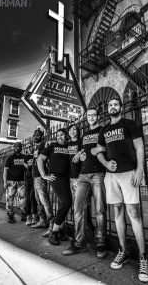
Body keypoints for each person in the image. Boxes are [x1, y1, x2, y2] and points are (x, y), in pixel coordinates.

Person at [96, 97, 148, 282]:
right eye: (110, 105)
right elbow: (98, 150)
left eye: (115, 104)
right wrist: (105, 162)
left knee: (133, 212)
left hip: (129, 173)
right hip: (111, 176)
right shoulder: (104, 130)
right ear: (107, 109)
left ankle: (143, 258)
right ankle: (123, 251)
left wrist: (140, 170)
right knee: (118, 210)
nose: (113, 107)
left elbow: (139, 146)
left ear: (120, 107)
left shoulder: (129, 123)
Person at [63, 108, 107, 259]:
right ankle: (78, 242)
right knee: (78, 208)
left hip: (98, 173)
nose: (91, 117)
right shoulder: (85, 135)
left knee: (100, 210)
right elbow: (82, 150)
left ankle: (101, 243)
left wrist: (101, 149)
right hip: (83, 174)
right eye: (89, 115)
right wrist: (78, 154)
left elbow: (108, 147)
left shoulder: (103, 130)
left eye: (94, 115)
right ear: (86, 117)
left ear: (98, 116)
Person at [37, 128, 72, 245]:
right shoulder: (51, 145)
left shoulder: (69, 146)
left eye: (62, 135)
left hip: (68, 178)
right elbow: (40, 159)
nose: (60, 137)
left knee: (65, 204)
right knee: (66, 203)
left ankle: (61, 230)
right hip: (56, 177)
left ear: (66, 136)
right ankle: (54, 231)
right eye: (58, 135)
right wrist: (43, 175)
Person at [67, 124, 95, 235]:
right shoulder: (67, 144)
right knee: (77, 204)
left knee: (85, 203)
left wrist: (79, 152)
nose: (73, 131)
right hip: (71, 177)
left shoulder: (80, 141)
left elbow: (87, 148)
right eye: (71, 129)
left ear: (78, 131)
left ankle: (88, 224)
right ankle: (81, 225)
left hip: (82, 175)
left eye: (75, 129)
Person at [31, 129, 54, 230]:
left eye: (37, 135)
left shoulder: (44, 144)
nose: (35, 137)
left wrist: (44, 174)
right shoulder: (36, 147)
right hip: (36, 176)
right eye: (34, 135)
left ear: (42, 136)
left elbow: (54, 142)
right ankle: (42, 220)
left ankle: (52, 223)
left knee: (44, 200)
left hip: (41, 176)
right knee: (38, 200)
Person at [3, 142, 27, 223]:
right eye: (16, 146)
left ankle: (24, 214)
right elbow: (5, 170)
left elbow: (28, 168)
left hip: (22, 182)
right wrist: (5, 182)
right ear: (14, 148)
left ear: (21, 148)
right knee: (10, 199)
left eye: (19, 146)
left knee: (22, 200)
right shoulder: (10, 158)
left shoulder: (24, 157)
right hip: (11, 182)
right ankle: (10, 216)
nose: (18, 148)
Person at [24, 148, 38, 226]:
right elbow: (26, 166)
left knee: (34, 197)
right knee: (28, 198)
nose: (29, 149)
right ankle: (28, 217)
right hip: (28, 179)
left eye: (30, 147)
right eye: (28, 147)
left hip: (35, 178)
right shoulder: (25, 157)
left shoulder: (35, 155)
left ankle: (35, 217)